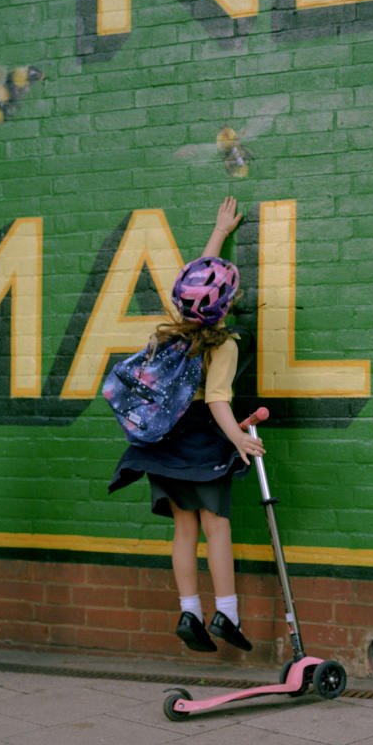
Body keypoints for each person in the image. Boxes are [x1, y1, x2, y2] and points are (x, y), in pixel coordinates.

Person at [108, 196, 264, 653]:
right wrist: (237, 438)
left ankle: (189, 610)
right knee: (217, 527)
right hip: (203, 438)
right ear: (227, 305)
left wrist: (218, 233)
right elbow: (218, 399)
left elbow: (199, 279)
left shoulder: (176, 328)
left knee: (184, 530)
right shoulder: (225, 344)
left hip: (165, 438)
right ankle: (226, 615)